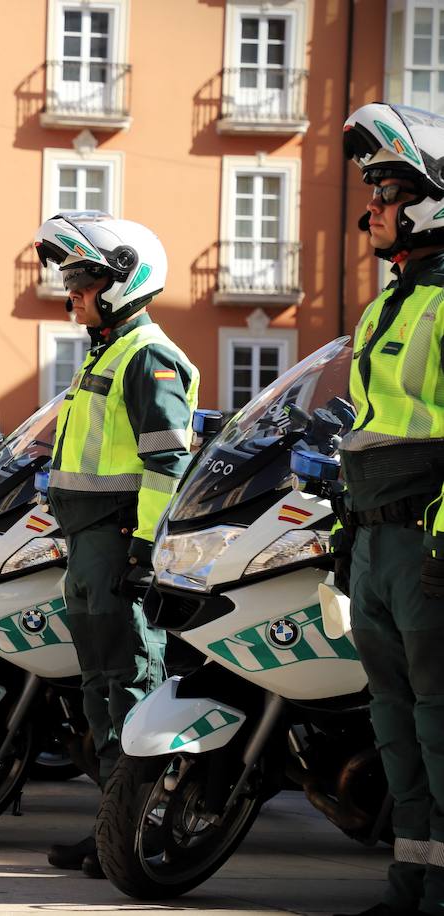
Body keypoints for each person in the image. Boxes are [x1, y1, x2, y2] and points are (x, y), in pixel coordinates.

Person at [34, 212, 197, 878]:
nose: (70, 292)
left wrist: (143, 553)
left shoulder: (148, 355)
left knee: (130, 685)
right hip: (87, 543)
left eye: (82, 279)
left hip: (118, 543)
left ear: (124, 282)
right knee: (102, 691)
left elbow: (167, 464)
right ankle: (113, 826)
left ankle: (141, 829)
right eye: (69, 279)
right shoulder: (103, 353)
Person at [335, 103, 444, 916]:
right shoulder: (386, 306)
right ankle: (411, 885)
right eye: (373, 190)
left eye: (389, 189)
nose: (372, 207)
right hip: (375, 546)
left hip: (425, 545)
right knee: (396, 730)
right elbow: (365, 431)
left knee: (441, 730)